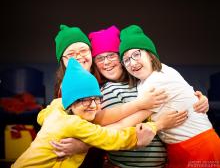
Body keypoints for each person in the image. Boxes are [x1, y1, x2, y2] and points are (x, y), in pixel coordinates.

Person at [52, 25, 210, 168]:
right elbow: (99, 124)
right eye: (100, 57)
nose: (107, 62)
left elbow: (173, 94)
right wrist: (83, 145)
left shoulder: (142, 83)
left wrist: (197, 99)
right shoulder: (95, 92)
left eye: (113, 56)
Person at [12, 58, 162, 168]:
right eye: (85, 100)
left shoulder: (57, 109)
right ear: (71, 103)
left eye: (97, 99)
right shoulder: (73, 123)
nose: (93, 106)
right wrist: (140, 136)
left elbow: (42, 115)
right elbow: (111, 138)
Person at [119, 24, 220, 168]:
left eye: (136, 54)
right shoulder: (147, 80)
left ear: (150, 54)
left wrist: (94, 133)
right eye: (126, 59)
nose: (132, 63)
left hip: (199, 146)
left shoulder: (156, 80)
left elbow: (128, 122)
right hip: (179, 148)